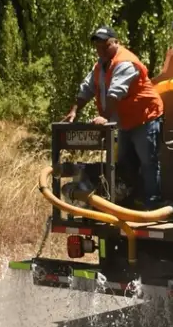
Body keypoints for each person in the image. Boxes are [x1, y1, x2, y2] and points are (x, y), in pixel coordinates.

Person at [64, 26, 165, 209]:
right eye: (97, 45)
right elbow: (87, 88)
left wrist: (105, 119)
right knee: (125, 164)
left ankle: (152, 205)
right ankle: (128, 204)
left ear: (116, 42)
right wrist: (74, 110)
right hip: (125, 121)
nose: (101, 49)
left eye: (105, 44)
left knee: (147, 161)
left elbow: (114, 94)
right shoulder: (100, 66)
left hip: (145, 118)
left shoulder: (125, 63)